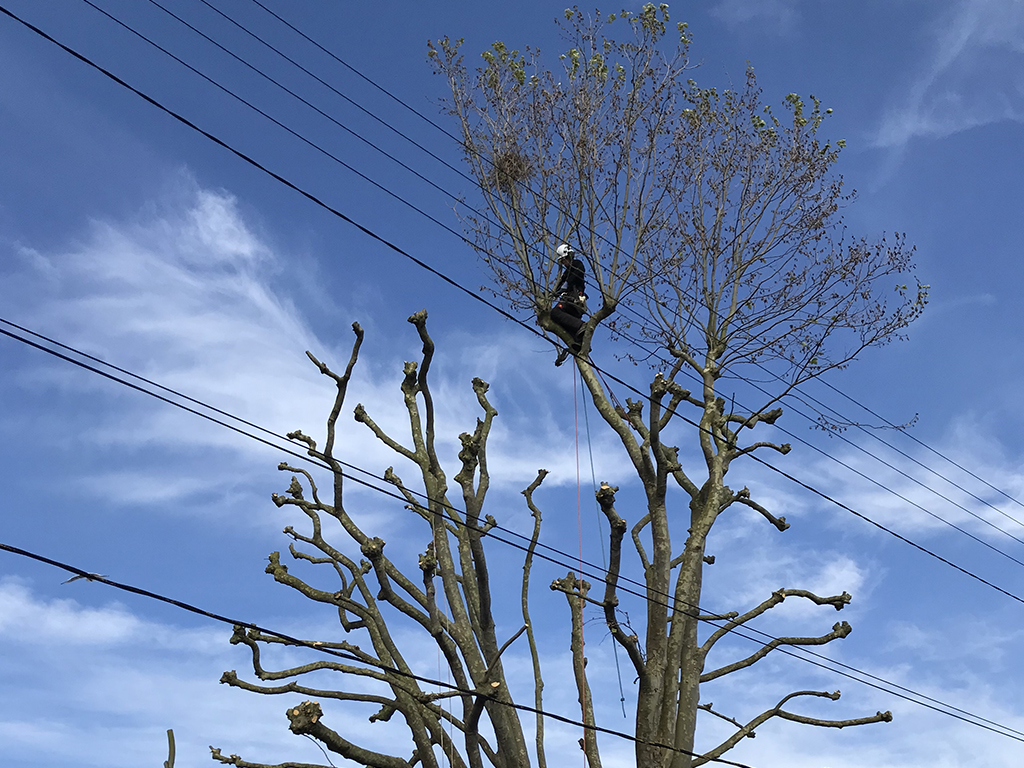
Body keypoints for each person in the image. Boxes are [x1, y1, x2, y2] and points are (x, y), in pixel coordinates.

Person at [550, 243, 588, 366]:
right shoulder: (566, 273)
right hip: (571, 304)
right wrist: (553, 293)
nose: (564, 264)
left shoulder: (577, 264)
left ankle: (581, 326)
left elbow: (576, 275)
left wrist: (564, 287)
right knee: (563, 323)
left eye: (563, 261)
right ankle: (578, 341)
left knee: (555, 313)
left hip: (573, 297)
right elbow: (559, 286)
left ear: (567, 256)